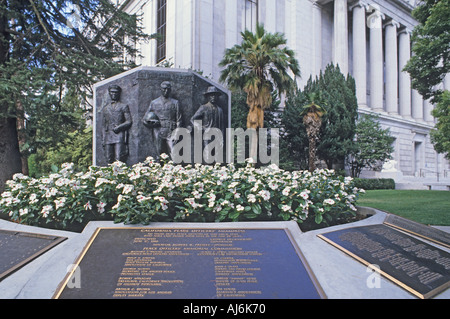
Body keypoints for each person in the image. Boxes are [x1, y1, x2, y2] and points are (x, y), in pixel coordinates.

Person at [143, 81, 182, 159]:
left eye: (168, 89)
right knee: (159, 155)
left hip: (171, 130)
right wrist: (151, 123)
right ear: (160, 89)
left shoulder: (175, 102)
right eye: (164, 89)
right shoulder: (154, 102)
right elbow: (145, 119)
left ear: (170, 90)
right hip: (158, 130)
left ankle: (173, 170)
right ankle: (159, 170)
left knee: (174, 154)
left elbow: (179, 119)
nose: (166, 91)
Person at [190, 86, 225, 162]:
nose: (213, 97)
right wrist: (202, 128)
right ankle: (207, 171)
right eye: (211, 95)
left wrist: (222, 138)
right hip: (207, 135)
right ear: (208, 96)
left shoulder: (220, 110)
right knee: (208, 156)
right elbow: (192, 119)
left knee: (217, 158)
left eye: (215, 95)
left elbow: (222, 126)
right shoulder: (204, 107)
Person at [102, 85, 132, 164]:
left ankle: (120, 174)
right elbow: (104, 125)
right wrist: (103, 138)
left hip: (119, 134)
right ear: (109, 93)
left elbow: (129, 121)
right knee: (108, 158)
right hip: (108, 135)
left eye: (116, 92)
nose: (114, 94)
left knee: (119, 158)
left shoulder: (123, 106)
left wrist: (119, 127)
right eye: (112, 92)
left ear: (119, 93)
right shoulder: (105, 108)